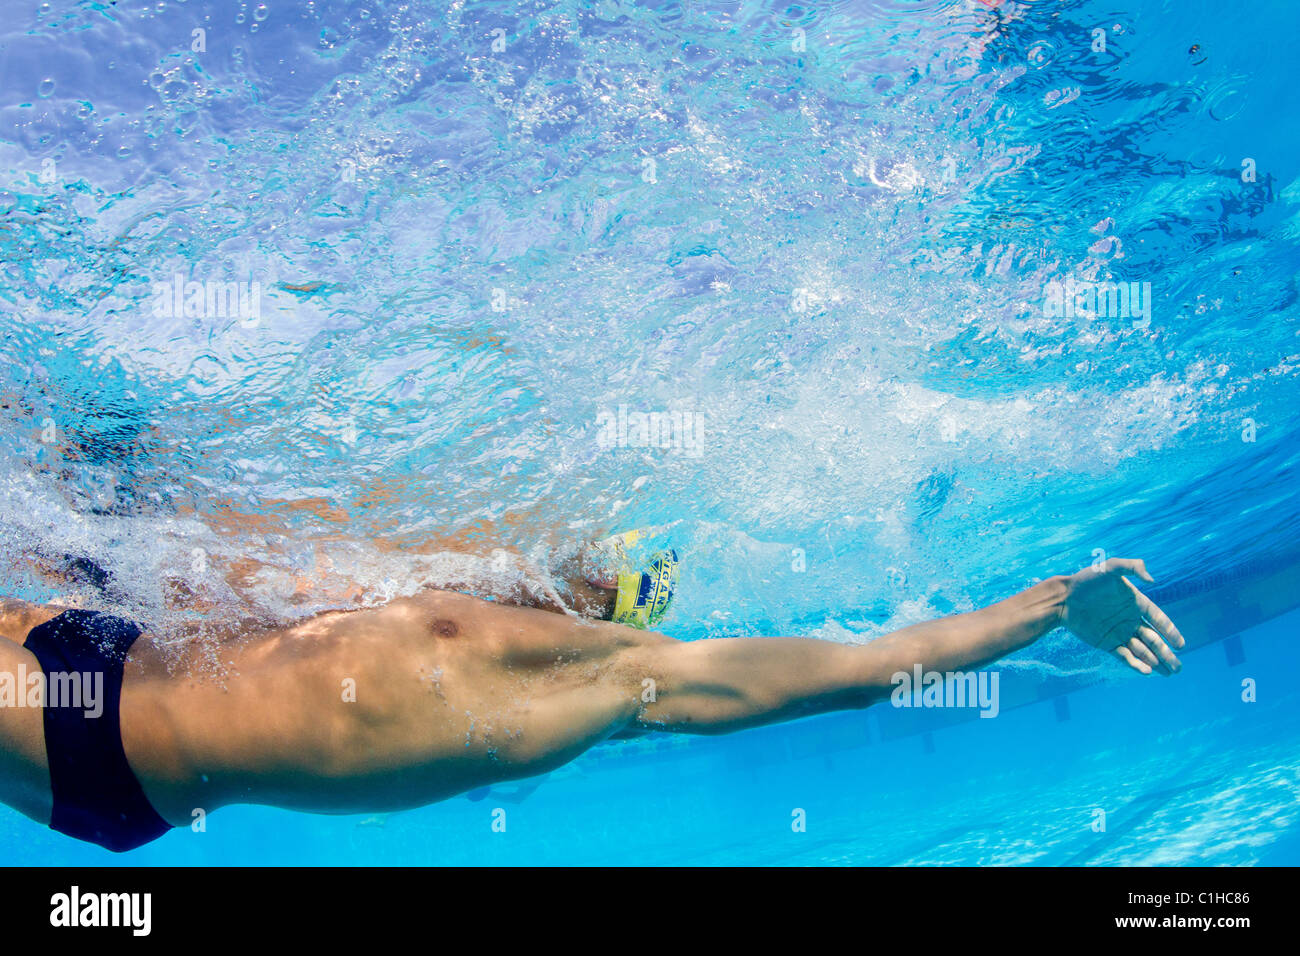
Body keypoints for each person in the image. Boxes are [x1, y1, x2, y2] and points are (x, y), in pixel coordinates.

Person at [0, 533, 1183, 853]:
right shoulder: (459, 604)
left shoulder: (570, 680)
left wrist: (1042, 608)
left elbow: (850, 675)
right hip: (122, 671)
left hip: (108, 735)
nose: (602, 568)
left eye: (626, 578)